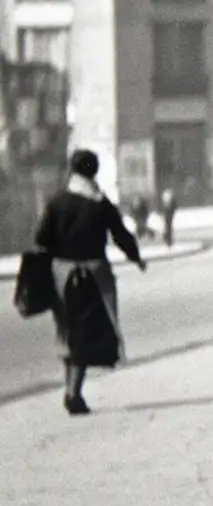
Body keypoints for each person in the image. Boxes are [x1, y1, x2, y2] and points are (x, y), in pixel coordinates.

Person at [32, 148, 148, 415]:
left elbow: (41, 238)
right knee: (84, 336)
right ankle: (73, 393)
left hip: (61, 276)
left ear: (72, 171)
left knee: (68, 332)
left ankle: (72, 390)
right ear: (94, 172)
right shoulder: (100, 202)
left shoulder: (56, 201)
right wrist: (137, 259)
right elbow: (120, 235)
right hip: (93, 278)